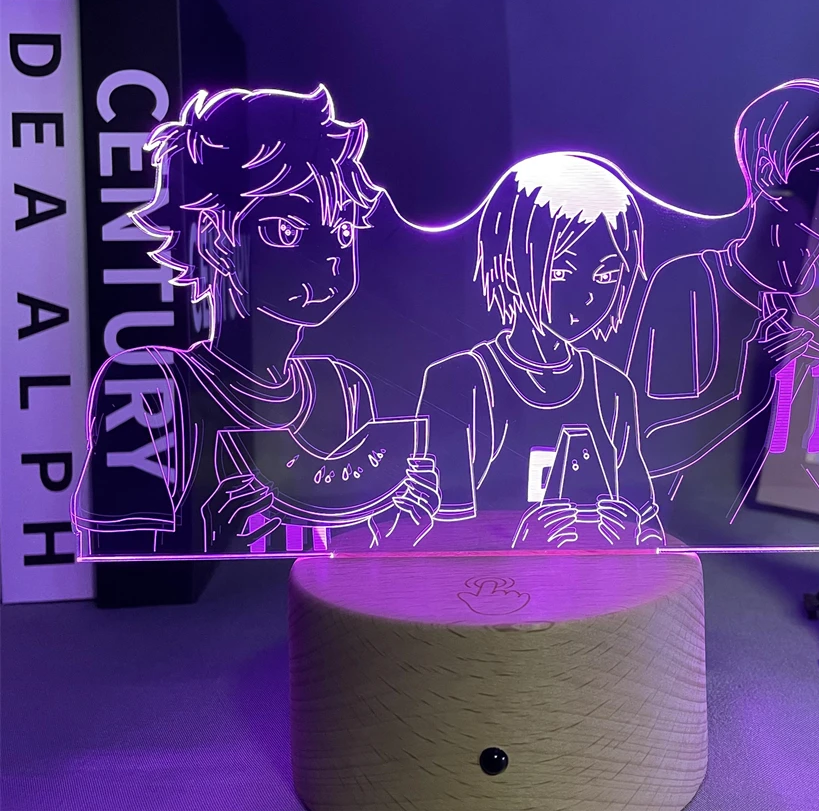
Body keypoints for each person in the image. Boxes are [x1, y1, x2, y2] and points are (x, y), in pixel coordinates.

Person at [72, 86, 438, 559]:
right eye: (287, 230)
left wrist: (398, 526)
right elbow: (122, 565)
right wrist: (210, 544)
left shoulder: (343, 388)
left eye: (344, 228)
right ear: (215, 239)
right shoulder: (149, 385)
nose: (330, 255)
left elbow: (344, 548)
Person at [626, 79, 819, 548]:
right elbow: (644, 452)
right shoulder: (692, 284)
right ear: (770, 171)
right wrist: (760, 375)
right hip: (691, 535)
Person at [414, 153, 664, 550]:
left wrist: (631, 536)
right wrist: (524, 543)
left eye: (606, 275)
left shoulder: (613, 389)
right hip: (485, 585)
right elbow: (432, 534)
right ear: (509, 267)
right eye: (562, 271)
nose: (587, 296)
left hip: (598, 581)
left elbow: (646, 519)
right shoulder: (460, 381)